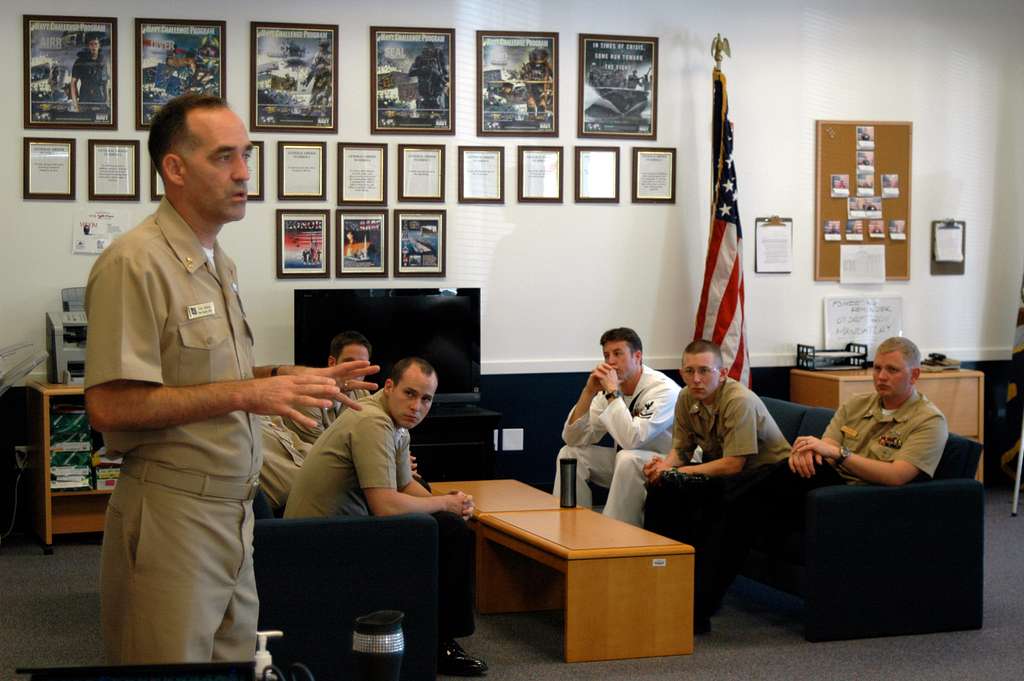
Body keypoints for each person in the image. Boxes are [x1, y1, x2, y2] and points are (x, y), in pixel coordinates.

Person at [83, 93, 379, 664]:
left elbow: (206, 373)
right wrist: (253, 392)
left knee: (235, 667)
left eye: (246, 154)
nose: (244, 173)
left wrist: (283, 375)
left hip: (234, 513)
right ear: (174, 168)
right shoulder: (135, 262)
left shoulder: (219, 261)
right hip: (174, 512)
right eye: (224, 157)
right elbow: (111, 406)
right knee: (169, 671)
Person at [285, 358, 487, 677]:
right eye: (409, 393)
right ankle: (440, 643)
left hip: (342, 528)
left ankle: (436, 636)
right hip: (320, 538)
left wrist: (451, 501)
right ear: (389, 387)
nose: (416, 406)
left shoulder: (394, 423)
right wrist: (442, 506)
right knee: (448, 531)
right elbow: (386, 505)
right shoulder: (372, 421)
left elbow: (406, 485)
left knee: (447, 520)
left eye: (425, 399)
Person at [641, 339, 790, 632]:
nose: (697, 379)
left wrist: (681, 473)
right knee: (661, 488)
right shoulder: (686, 398)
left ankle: (699, 609)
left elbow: (735, 464)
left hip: (767, 478)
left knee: (716, 510)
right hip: (727, 476)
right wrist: (665, 467)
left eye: (705, 371)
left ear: (721, 374)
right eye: (689, 371)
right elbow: (681, 451)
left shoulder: (738, 401)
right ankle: (659, 583)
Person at [758, 336, 948, 524]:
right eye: (877, 368)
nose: (881, 376)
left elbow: (896, 476)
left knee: (768, 490)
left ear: (914, 375)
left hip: (869, 497)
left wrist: (840, 454)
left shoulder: (929, 420)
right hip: (831, 487)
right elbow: (827, 448)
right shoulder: (856, 404)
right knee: (789, 469)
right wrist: (808, 453)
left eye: (892, 370)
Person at [552, 327, 681, 526]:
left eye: (618, 354)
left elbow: (632, 440)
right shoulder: (609, 390)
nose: (610, 361)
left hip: (667, 465)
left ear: (637, 356)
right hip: (627, 464)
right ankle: (570, 527)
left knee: (627, 458)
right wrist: (588, 391)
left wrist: (612, 391)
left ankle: (614, 537)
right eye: (606, 355)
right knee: (569, 453)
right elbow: (573, 438)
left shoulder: (663, 390)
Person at [283, 330, 374, 445]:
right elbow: (320, 451)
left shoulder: (363, 394)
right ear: (332, 363)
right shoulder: (307, 395)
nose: (356, 370)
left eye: (362, 365)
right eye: (349, 362)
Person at [70, 34, 108, 110]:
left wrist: (106, 100)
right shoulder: (80, 61)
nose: (94, 46)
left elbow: (105, 82)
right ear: (88, 46)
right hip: (85, 99)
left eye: (96, 44)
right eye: (91, 44)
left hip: (99, 100)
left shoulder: (102, 61)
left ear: (99, 46)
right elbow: (73, 83)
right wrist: (76, 105)